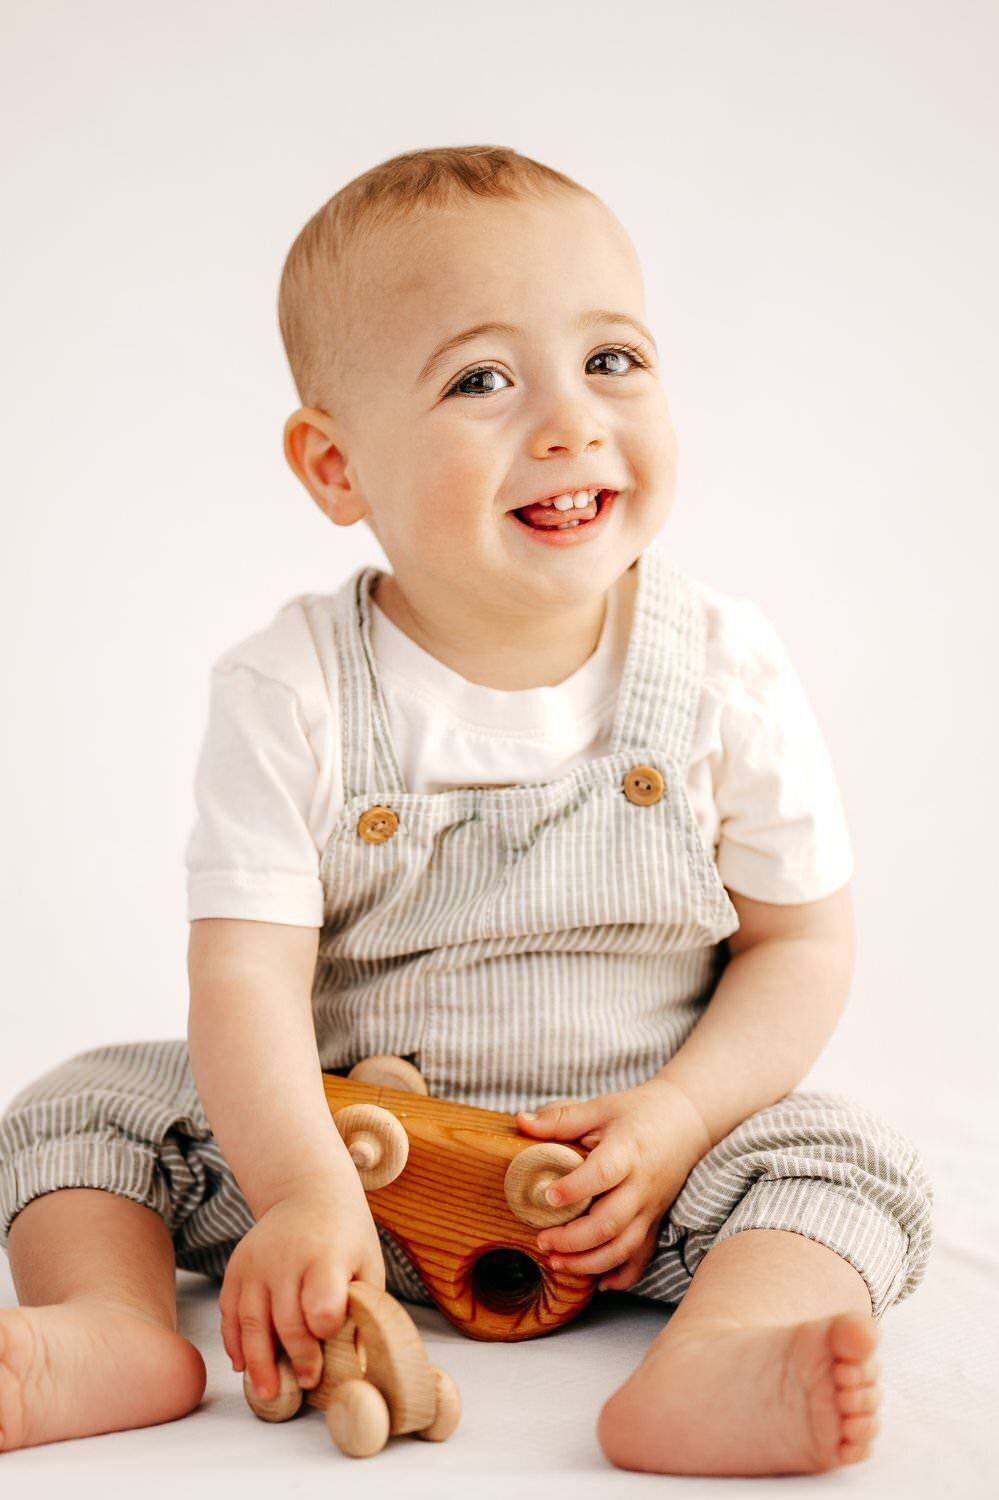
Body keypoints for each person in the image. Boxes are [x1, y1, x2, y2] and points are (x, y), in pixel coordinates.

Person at [0, 144, 932, 1475]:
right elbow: (246, 985)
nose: (571, 422)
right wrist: (304, 1190)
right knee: (82, 1107)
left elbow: (801, 945)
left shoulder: (724, 668)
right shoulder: (293, 687)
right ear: (336, 468)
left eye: (613, 360)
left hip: (630, 1189)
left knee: (845, 1159)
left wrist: (674, 1124)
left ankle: (724, 1354)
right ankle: (107, 1328)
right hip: (344, 1183)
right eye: (483, 380)